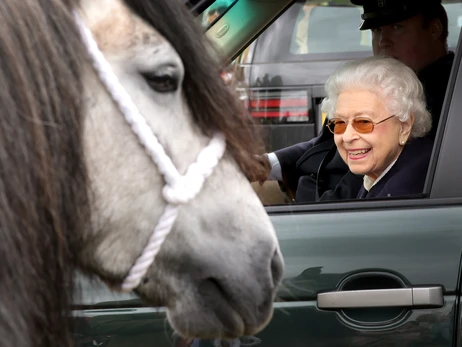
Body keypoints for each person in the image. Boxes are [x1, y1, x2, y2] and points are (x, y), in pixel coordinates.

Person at [255, 0, 454, 203]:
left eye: (397, 28)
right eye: (376, 30)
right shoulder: (368, 88)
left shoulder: (447, 98)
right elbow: (324, 145)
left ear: (434, 29)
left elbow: (372, 175)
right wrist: (269, 163)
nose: (384, 41)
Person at [323, 56, 432, 199]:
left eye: (363, 122)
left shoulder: (408, 191)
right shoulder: (380, 172)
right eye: (340, 123)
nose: (347, 136)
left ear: (404, 127)